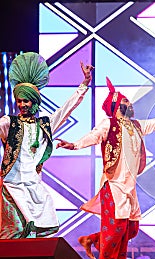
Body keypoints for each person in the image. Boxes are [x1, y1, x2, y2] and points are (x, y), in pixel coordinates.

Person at [56, 77, 155, 259]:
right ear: (117, 105)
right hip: (113, 185)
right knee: (116, 232)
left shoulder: (136, 126)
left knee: (130, 230)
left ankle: (92, 239)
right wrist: (75, 145)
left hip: (129, 187)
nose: (131, 103)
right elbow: (93, 136)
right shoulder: (108, 124)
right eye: (126, 101)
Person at [0, 52, 93, 239]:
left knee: (40, 225)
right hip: (12, 185)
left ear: (34, 102)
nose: (22, 105)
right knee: (16, 231)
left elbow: (67, 109)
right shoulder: (9, 122)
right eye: (19, 101)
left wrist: (84, 84)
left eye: (26, 100)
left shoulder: (45, 124)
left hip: (34, 183)